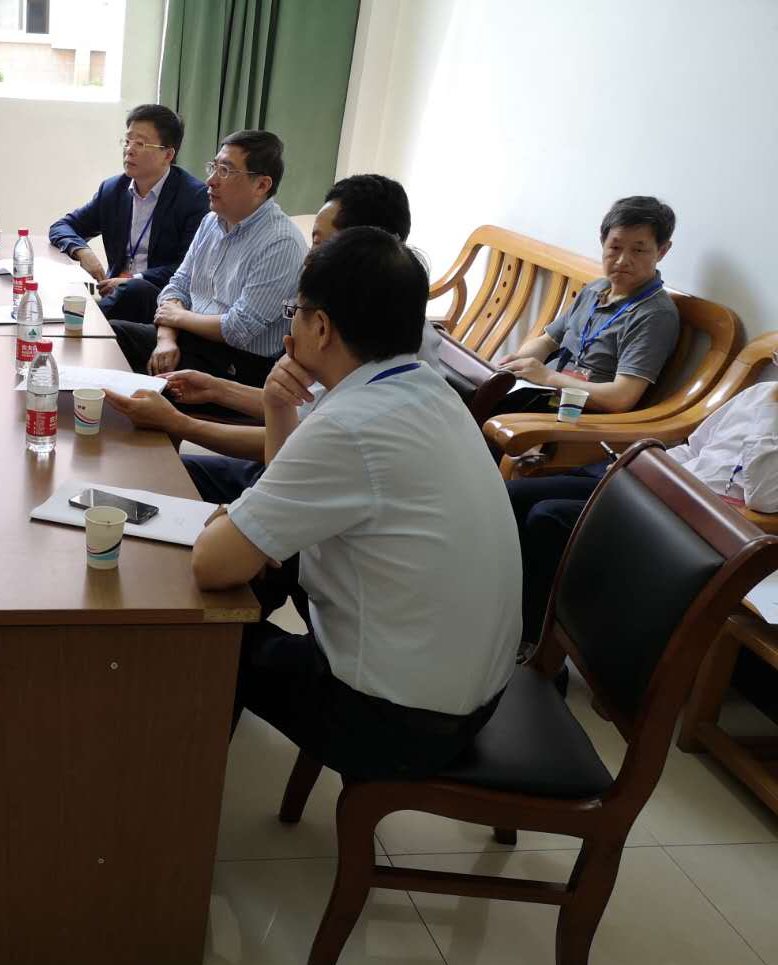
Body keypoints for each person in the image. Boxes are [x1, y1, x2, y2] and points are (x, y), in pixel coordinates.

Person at [191, 227, 521, 777]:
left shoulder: (350, 424)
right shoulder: (422, 387)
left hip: (397, 721)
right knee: (261, 563)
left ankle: (174, 803)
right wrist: (276, 406)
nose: (291, 325)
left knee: (204, 634)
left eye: (294, 312)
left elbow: (210, 562)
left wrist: (232, 524)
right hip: (463, 691)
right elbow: (287, 493)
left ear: (320, 327)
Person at [106, 174, 439, 504]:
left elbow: (301, 450)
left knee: (155, 480)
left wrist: (180, 423)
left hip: (303, 476)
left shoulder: (381, 341)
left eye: (321, 244)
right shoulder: (360, 319)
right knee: (148, 472)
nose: (309, 257)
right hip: (288, 461)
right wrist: (214, 388)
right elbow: (302, 412)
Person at [509, 381, 778, 642]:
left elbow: (763, 498)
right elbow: (694, 449)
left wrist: (772, 411)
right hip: (662, 485)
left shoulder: (770, 404)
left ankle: (534, 636)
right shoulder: (758, 392)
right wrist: (639, 466)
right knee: (516, 495)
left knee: (549, 516)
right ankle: (507, 615)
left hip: (696, 520)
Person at [110, 129, 307, 387]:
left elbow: (238, 328)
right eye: (213, 167)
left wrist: (178, 318)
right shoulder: (212, 221)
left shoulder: (281, 242)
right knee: (112, 332)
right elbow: (177, 285)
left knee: (133, 377)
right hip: (189, 335)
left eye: (225, 171)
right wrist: (166, 339)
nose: (211, 181)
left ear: (261, 185)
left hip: (237, 363)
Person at [494, 196, 680, 414]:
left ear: (662, 251)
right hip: (539, 395)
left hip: (575, 417)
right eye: (615, 247)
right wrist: (517, 362)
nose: (622, 260)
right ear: (603, 243)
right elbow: (547, 341)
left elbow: (621, 397)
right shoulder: (595, 289)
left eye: (638, 250)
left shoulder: (655, 315)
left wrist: (547, 377)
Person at [48, 104, 209, 323]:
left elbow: (187, 268)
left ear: (168, 154)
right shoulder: (113, 189)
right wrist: (83, 251)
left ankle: (81, 322)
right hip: (115, 294)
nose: (129, 150)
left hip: (161, 299)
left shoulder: (194, 197)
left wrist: (134, 279)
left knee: (133, 290)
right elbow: (61, 227)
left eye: (140, 143)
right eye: (127, 141)